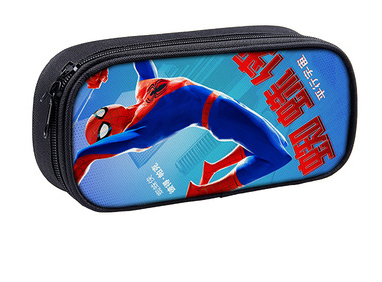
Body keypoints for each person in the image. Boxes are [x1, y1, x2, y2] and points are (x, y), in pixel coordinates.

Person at [73, 60, 292, 198]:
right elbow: (87, 155)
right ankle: (202, 191)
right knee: (278, 156)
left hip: (224, 105)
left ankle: (212, 169)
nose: (102, 112)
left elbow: (138, 54)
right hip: (220, 115)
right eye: (100, 120)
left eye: (98, 112)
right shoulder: (142, 130)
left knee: (279, 143)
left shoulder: (143, 88)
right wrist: (79, 169)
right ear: (108, 132)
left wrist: (102, 64)